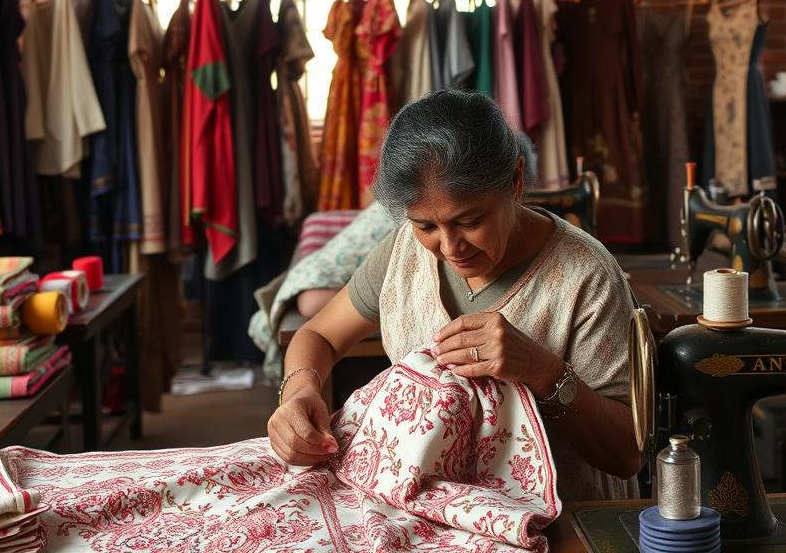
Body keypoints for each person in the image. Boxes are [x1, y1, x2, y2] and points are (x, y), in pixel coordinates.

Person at [268, 89, 641, 501]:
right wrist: (300, 392)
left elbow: (626, 456)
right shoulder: (402, 252)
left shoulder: (586, 277)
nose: (449, 248)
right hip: (428, 510)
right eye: (426, 226)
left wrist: (543, 371)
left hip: (559, 521)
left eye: (470, 220)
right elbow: (318, 336)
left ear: (515, 181)